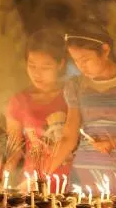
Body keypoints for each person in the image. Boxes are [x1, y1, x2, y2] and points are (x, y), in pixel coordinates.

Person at [48, 26, 116, 191]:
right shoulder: (76, 85)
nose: (80, 66)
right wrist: (40, 176)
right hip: (83, 175)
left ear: (105, 50)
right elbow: (68, 138)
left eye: (85, 59)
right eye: (75, 60)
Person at [5, 29, 70, 190]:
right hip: (32, 184)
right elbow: (15, 151)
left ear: (60, 64)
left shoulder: (71, 97)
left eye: (45, 67)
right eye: (32, 65)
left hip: (70, 181)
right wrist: (1, 176)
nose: (37, 73)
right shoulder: (19, 101)